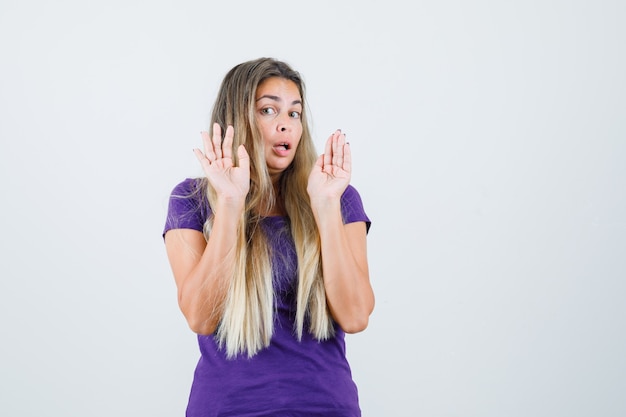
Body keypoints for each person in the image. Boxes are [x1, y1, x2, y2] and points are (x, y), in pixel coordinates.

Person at [163, 57, 374, 416]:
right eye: (268, 110)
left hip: (325, 407)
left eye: (294, 114)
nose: (285, 126)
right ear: (236, 120)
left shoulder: (338, 198)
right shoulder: (191, 200)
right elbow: (200, 317)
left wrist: (324, 206)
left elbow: (355, 317)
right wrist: (230, 202)